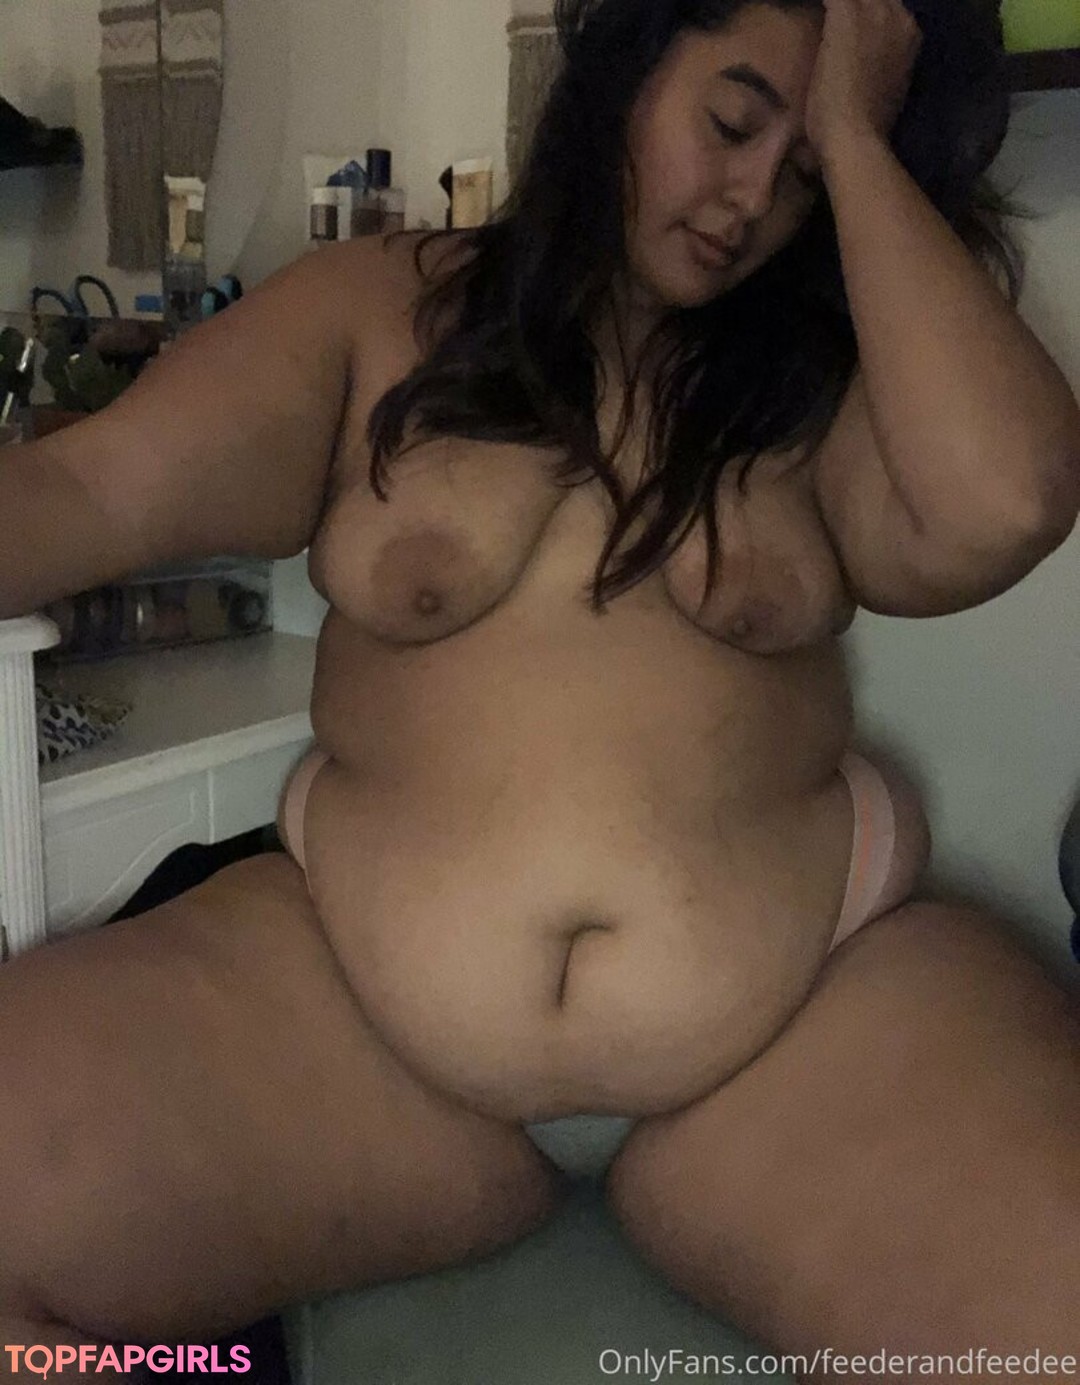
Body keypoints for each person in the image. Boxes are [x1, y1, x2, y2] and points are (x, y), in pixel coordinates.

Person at [2, 0, 1079, 1378]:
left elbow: (1012, 497)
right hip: (348, 1016)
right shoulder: (378, 312)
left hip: (803, 1019)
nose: (752, 198)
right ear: (624, 68)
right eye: (731, 122)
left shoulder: (828, 393)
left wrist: (858, 144)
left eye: (803, 171)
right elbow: (85, 491)